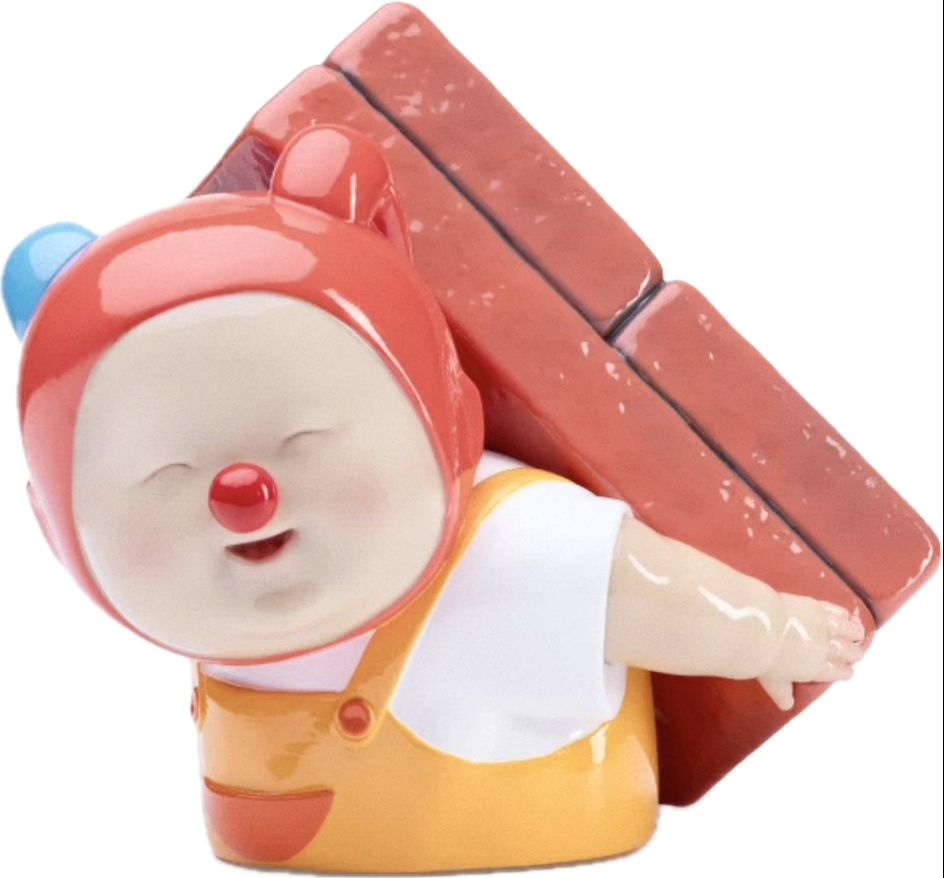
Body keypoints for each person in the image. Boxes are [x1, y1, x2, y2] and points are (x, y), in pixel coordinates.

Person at [3, 126, 864, 872]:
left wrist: (769, 629)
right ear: (57, 529)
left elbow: (656, 598)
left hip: (543, 846)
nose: (243, 499)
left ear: (450, 420)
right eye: (165, 480)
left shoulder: (509, 547)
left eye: (304, 445)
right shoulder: (207, 615)